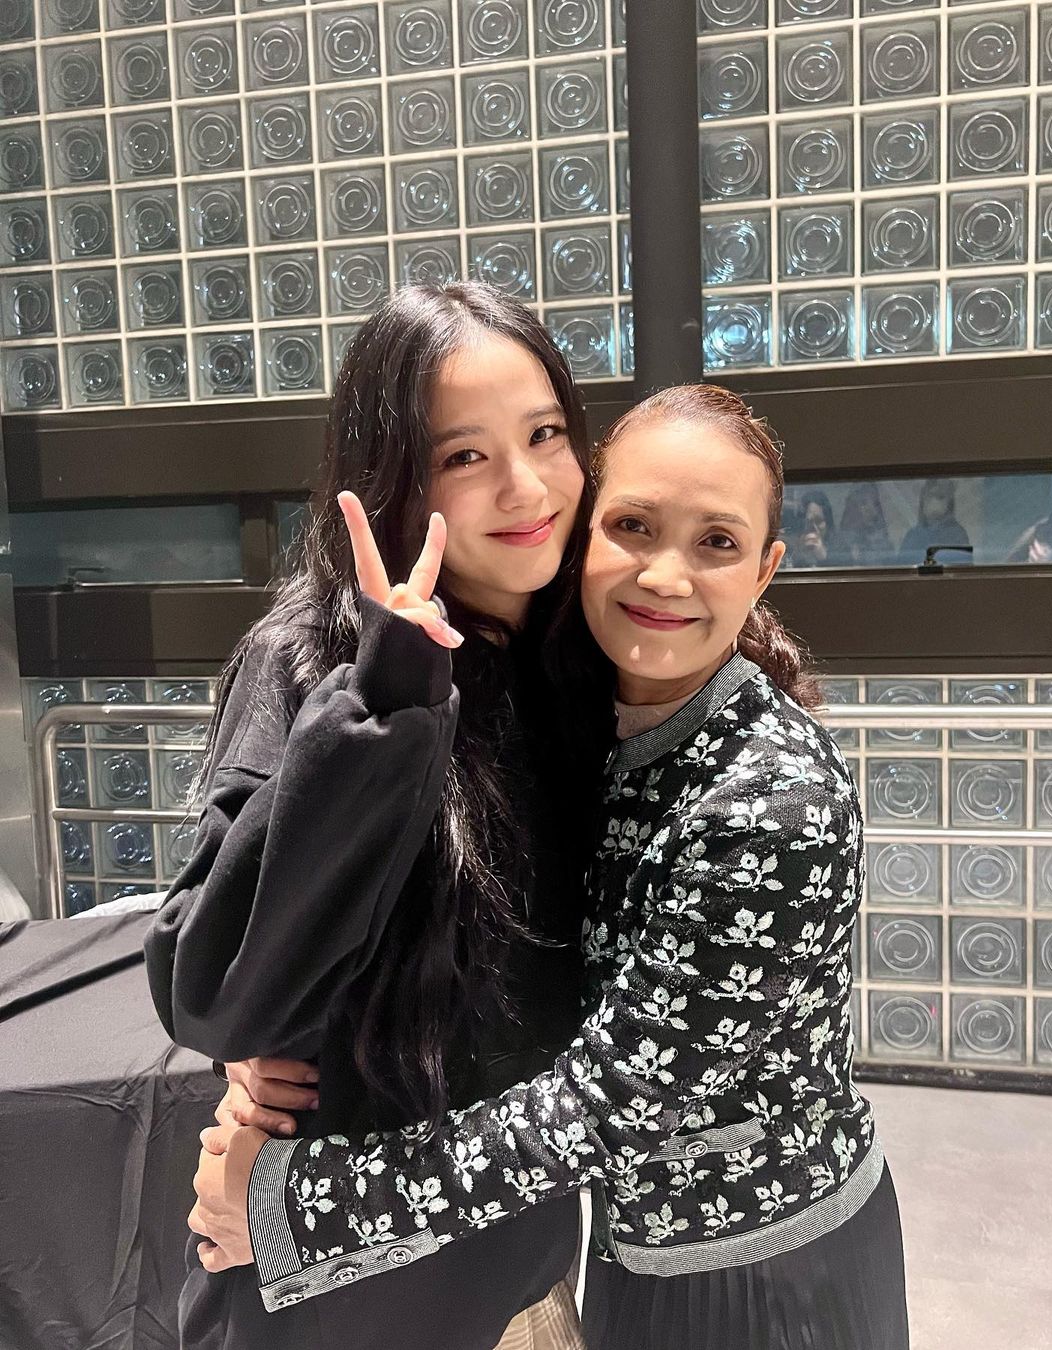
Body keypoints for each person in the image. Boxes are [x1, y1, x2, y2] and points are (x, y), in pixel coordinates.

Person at [192, 385, 909, 1350]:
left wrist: (299, 1204)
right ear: (583, 538)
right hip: (629, 1253)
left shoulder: (773, 804)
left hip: (761, 1277)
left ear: (764, 569)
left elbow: (612, 1103)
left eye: (717, 542)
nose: (666, 575)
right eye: (634, 526)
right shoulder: (584, 718)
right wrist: (283, 1027)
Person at [144, 282, 608, 1350]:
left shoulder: (571, 656)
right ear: (391, 478)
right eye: (464, 455)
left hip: (517, 1260)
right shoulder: (310, 660)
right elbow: (212, 989)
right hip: (341, 1287)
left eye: (545, 434)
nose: (526, 484)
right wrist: (388, 696)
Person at [896, 478, 972, 567]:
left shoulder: (957, 534)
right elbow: (902, 569)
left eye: (940, 497)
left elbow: (963, 569)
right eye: (929, 497)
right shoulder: (912, 535)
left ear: (949, 503)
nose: (934, 501)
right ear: (923, 502)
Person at [835, 481, 892, 566]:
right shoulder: (840, 543)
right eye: (863, 503)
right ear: (853, 507)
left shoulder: (883, 542)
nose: (870, 509)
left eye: (875, 504)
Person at [789, 488, 838, 568]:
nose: (814, 528)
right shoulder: (792, 546)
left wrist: (824, 557)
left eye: (818, 521)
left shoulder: (840, 547)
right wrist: (798, 555)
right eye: (809, 522)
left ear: (828, 523)